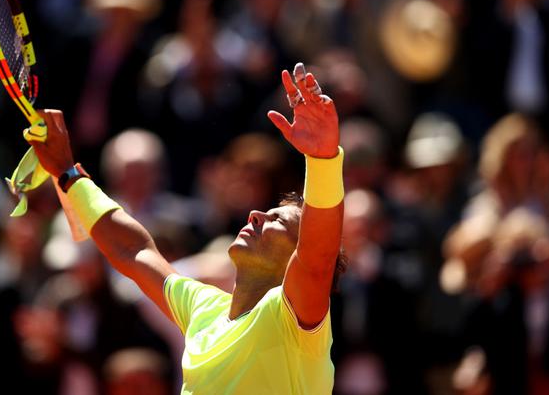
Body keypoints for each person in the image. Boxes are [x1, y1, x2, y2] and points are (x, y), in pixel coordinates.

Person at [27, 62, 345, 393]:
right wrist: (68, 174)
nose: (254, 215)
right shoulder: (204, 309)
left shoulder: (294, 317)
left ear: (298, 254)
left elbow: (317, 256)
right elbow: (133, 250)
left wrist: (323, 160)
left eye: (277, 220)